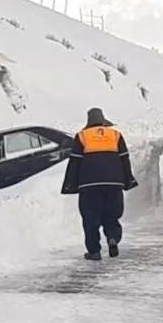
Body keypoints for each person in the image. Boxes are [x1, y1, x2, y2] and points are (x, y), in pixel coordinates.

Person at [61, 108, 138, 260]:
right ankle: (113, 238)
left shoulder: (82, 136)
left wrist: (70, 184)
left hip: (89, 187)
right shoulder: (115, 135)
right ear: (103, 121)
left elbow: (75, 162)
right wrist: (128, 179)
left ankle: (94, 251)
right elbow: (124, 158)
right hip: (113, 185)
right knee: (111, 217)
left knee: (90, 219)